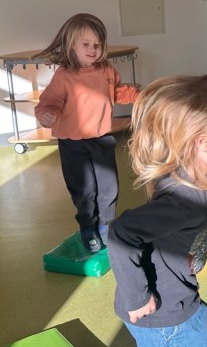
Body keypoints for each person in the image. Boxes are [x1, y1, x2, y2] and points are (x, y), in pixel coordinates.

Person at [107, 74, 207, 347]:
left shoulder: (187, 172)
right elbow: (121, 233)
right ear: (202, 143)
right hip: (166, 318)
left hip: (180, 296)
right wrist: (136, 297)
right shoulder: (185, 197)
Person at [33, 13, 138, 253]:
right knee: (85, 190)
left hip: (101, 139)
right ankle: (88, 227)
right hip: (72, 143)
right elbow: (48, 102)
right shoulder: (65, 75)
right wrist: (47, 114)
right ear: (72, 45)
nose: (93, 50)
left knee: (109, 186)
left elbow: (117, 93)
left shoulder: (106, 71)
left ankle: (105, 224)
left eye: (97, 45)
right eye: (86, 44)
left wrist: (137, 95)